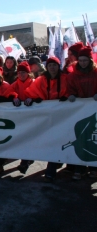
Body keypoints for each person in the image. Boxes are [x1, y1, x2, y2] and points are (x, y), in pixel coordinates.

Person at [25, 57, 68, 182]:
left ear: (58, 66)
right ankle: (52, 165)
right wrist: (35, 98)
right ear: (47, 67)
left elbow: (72, 91)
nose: (52, 68)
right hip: (47, 116)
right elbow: (32, 92)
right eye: (50, 66)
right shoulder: (41, 79)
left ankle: (55, 165)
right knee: (51, 140)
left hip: (63, 115)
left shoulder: (65, 79)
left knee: (61, 139)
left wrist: (68, 96)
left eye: (54, 65)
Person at [67, 46, 97, 179]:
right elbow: (70, 88)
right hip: (79, 111)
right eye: (81, 60)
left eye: (85, 60)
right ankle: (80, 167)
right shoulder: (73, 75)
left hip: (94, 110)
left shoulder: (96, 73)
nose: (83, 63)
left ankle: (94, 167)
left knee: (93, 138)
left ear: (90, 60)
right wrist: (71, 95)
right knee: (80, 137)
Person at [11, 62, 35, 174]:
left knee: (29, 138)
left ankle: (24, 163)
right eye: (19, 72)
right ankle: (26, 161)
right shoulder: (16, 83)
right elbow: (9, 91)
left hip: (33, 116)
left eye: (23, 72)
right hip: (20, 116)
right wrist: (14, 97)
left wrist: (32, 98)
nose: (21, 74)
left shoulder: (34, 82)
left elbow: (38, 92)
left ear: (28, 73)